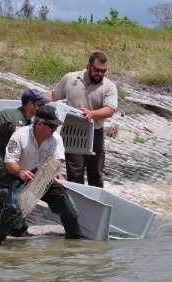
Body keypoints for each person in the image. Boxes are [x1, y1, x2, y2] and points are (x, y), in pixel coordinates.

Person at [0, 105, 81, 245]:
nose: (55, 129)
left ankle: (74, 245)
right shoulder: (20, 135)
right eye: (52, 126)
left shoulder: (55, 138)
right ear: (39, 123)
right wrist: (20, 172)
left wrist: (53, 169)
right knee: (13, 209)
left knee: (70, 210)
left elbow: (58, 159)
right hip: (20, 174)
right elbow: (9, 162)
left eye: (56, 126)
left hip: (45, 177)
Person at [0, 89, 51, 237]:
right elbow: (25, 148)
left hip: (0, 149)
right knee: (13, 185)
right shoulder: (18, 121)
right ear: (30, 104)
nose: (42, 108)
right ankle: (18, 229)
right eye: (40, 105)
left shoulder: (26, 119)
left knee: (9, 187)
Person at [44, 51, 118, 188]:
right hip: (72, 132)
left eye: (103, 71)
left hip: (95, 132)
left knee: (95, 173)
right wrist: (35, 99)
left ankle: (95, 206)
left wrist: (91, 114)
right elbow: (54, 95)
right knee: (75, 173)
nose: (100, 74)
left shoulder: (109, 86)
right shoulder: (70, 78)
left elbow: (110, 110)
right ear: (88, 65)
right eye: (97, 70)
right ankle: (76, 205)